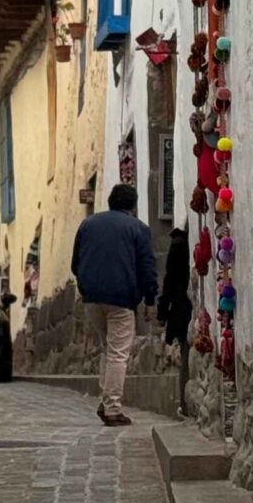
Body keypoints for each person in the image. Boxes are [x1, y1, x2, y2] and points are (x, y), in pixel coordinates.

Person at [70, 182, 158, 425]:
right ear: (132, 205)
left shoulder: (87, 224)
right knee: (118, 354)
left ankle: (104, 400)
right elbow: (147, 268)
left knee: (107, 349)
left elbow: (75, 264)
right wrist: (150, 300)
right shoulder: (137, 228)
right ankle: (112, 408)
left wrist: (85, 287)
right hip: (121, 299)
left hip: (91, 299)